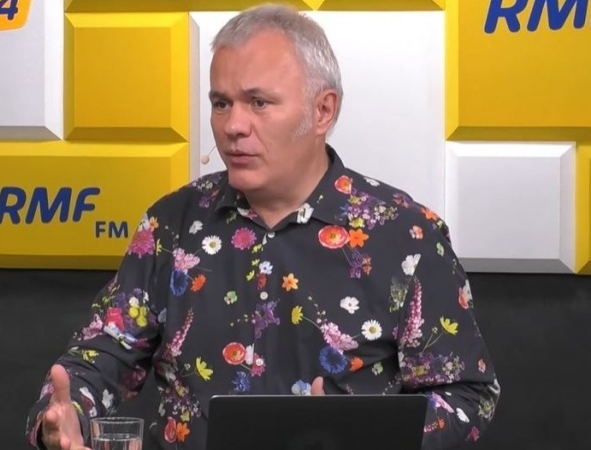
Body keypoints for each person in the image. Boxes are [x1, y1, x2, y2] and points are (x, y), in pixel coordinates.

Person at [26, 3, 500, 450]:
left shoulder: (406, 236)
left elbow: (466, 393)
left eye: (258, 102)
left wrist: (362, 432)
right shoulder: (171, 225)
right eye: (221, 103)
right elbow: (102, 356)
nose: (233, 125)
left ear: (322, 111)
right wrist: (66, 417)